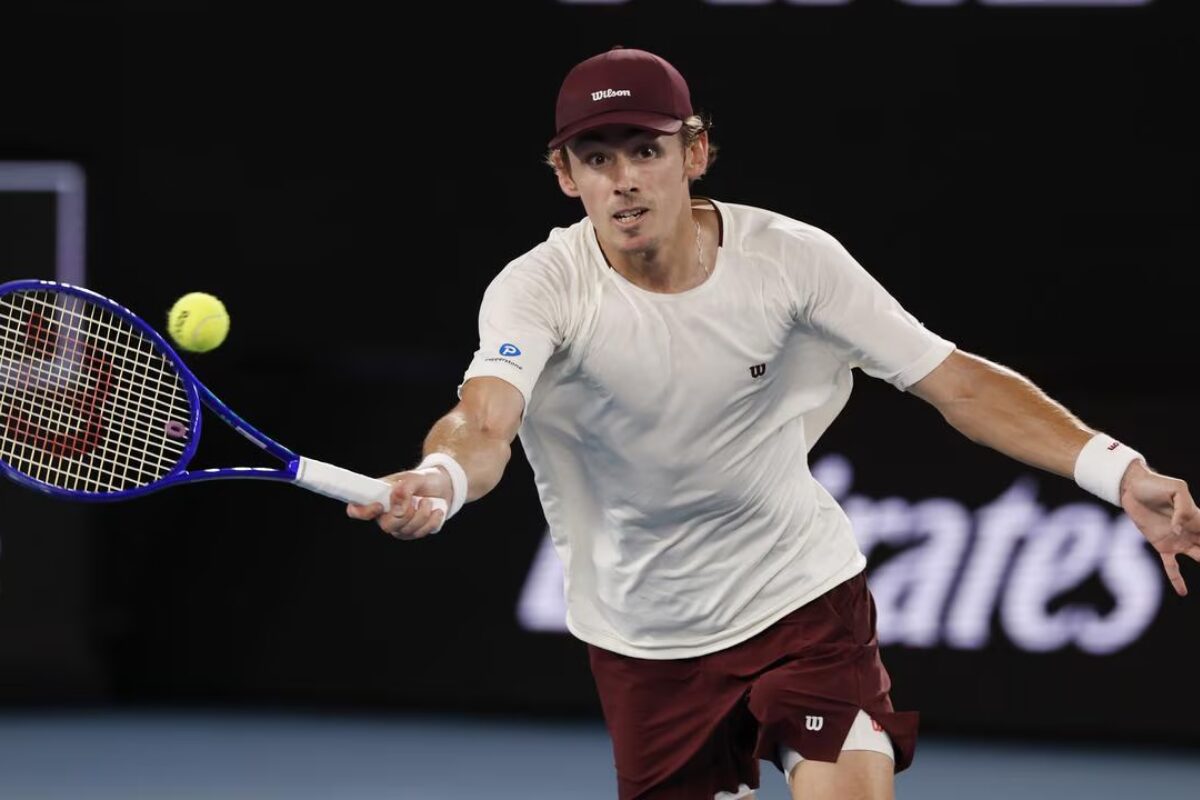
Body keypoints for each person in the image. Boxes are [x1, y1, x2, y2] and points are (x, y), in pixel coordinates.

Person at [347, 46, 1200, 800]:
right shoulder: (536, 288)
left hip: (800, 599)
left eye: (647, 150)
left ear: (696, 153)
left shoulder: (794, 261)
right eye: (596, 159)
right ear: (566, 176)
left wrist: (1118, 471)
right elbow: (484, 417)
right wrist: (443, 478)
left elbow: (957, 384)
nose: (625, 180)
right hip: (642, 634)